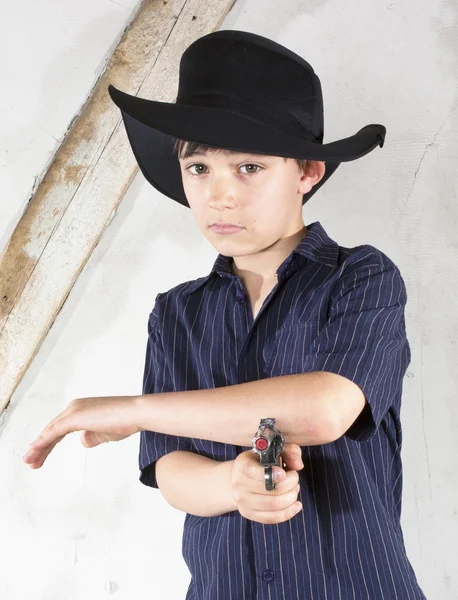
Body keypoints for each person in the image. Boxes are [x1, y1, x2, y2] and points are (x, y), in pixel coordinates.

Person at [23, 30, 427, 599]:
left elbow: (324, 410)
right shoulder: (176, 313)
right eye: (200, 169)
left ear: (307, 171)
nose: (220, 195)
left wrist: (137, 411)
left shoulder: (361, 277)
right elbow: (169, 471)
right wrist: (230, 483)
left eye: (250, 168)